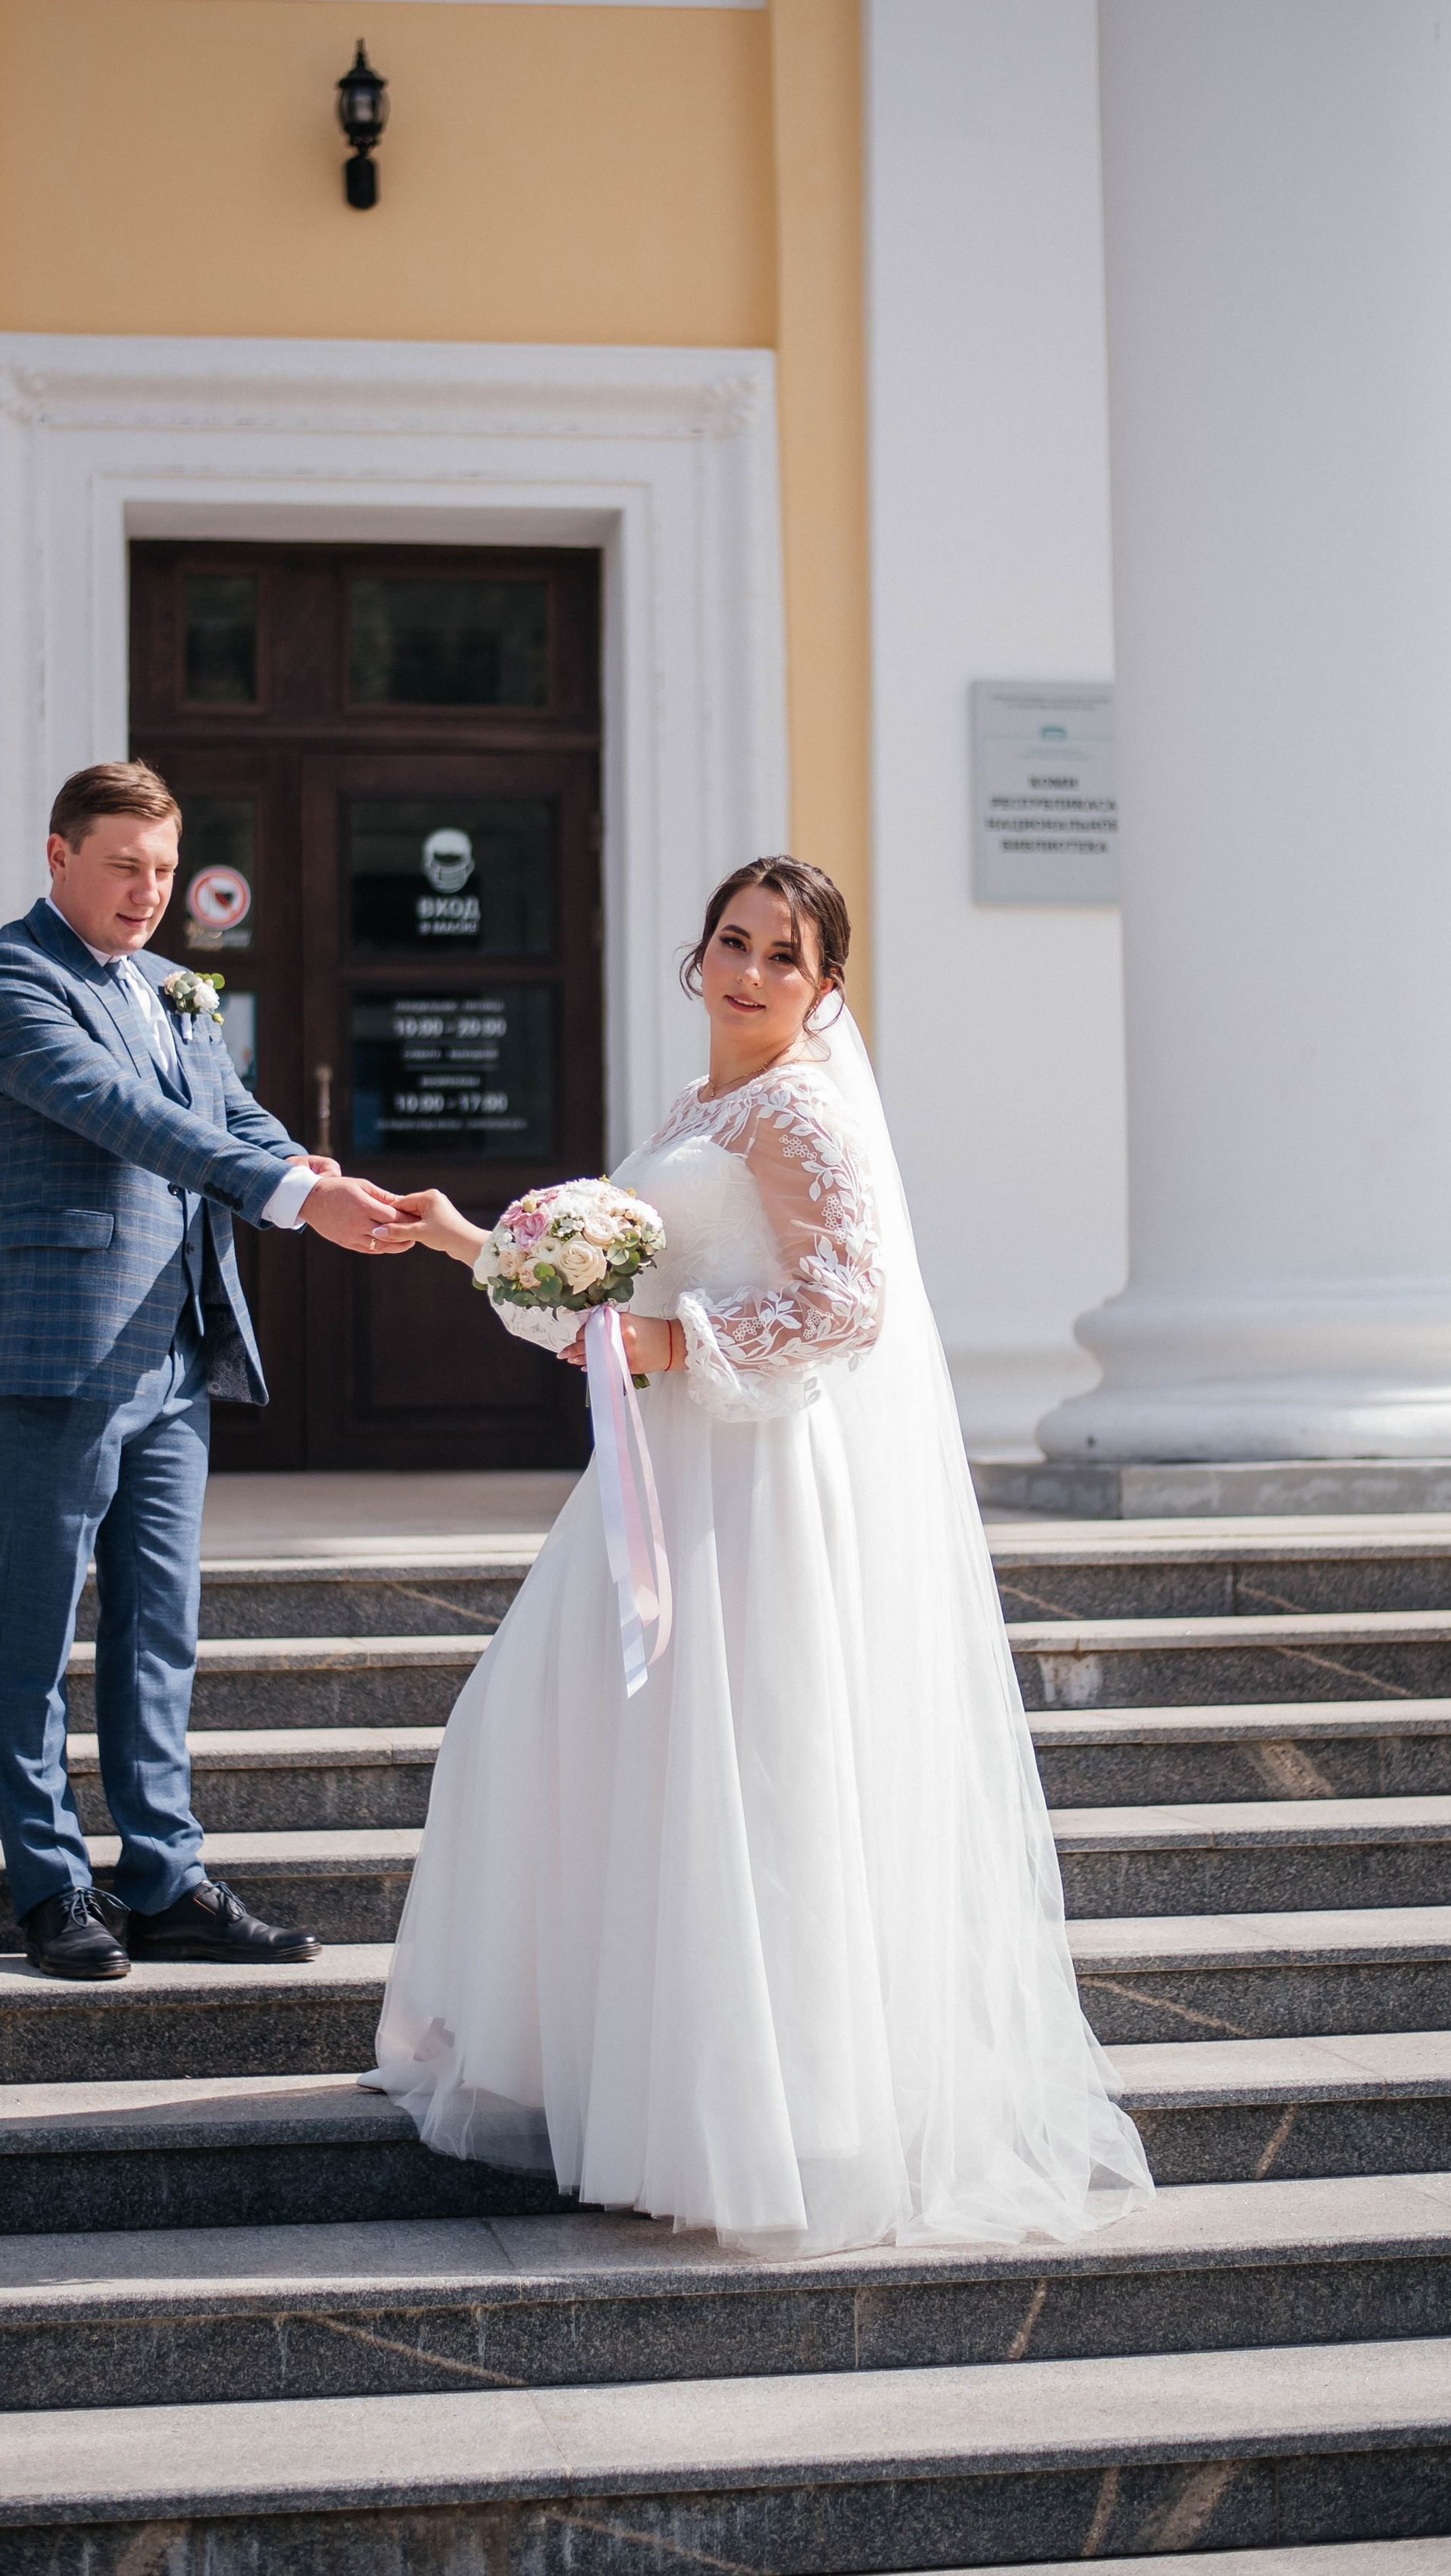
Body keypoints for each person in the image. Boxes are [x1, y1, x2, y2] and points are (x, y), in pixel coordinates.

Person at [367, 856, 1153, 2252]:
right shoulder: (702, 1106)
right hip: (660, 1468)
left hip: (748, 1475)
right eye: (733, 941)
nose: (747, 971)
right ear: (699, 952)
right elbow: (613, 1295)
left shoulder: (795, 1110)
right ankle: (636, 2083)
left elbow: (848, 1301)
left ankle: (765, 2115)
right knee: (559, 1735)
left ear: (824, 987)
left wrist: (675, 1345)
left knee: (739, 1774)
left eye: (784, 957)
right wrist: (464, 1241)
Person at [0, 762, 409, 1982]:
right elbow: (120, 1114)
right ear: (59, 856)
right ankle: (52, 1890)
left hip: (178, 1343)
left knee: (162, 1626)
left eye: (164, 870)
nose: (151, 893)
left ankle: (164, 1879)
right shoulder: (5, 981)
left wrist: (324, 1184)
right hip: (57, 1346)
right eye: (123, 866)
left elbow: (232, 1112)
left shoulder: (171, 987)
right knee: (37, 1625)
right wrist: (293, 1195)